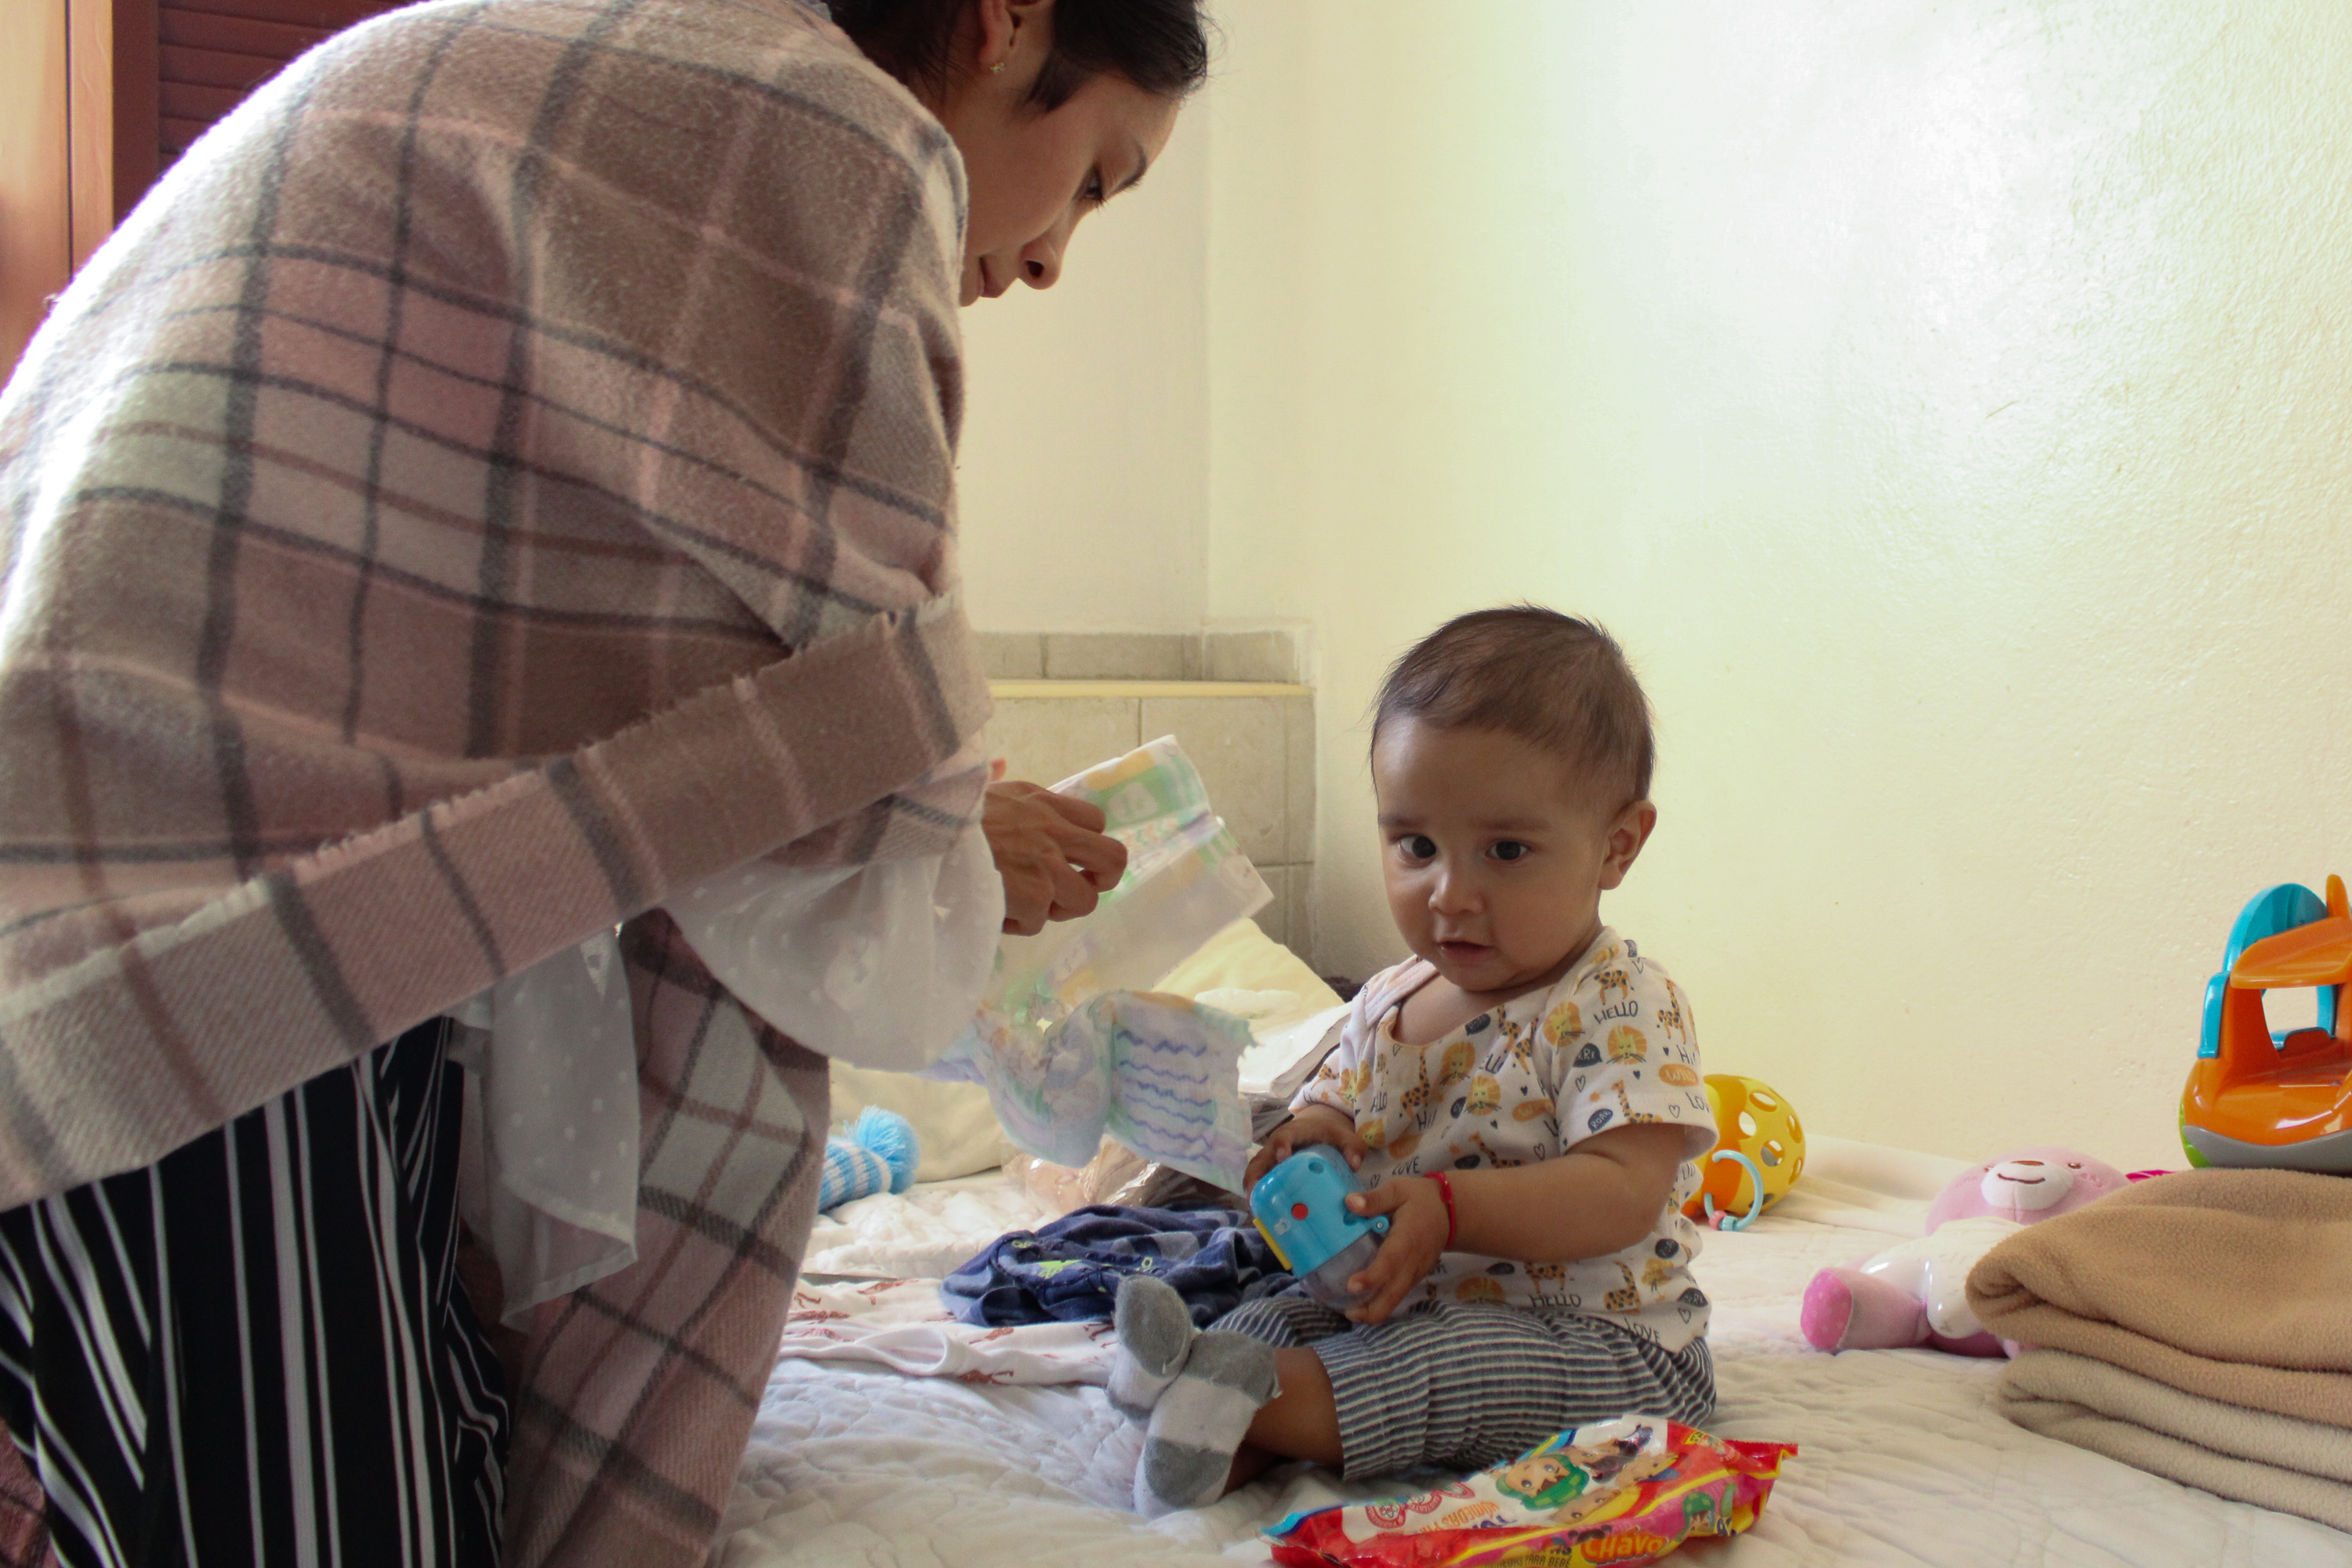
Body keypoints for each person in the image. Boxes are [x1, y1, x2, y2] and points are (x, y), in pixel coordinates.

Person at [0, 0, 1203, 1563]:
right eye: (1098, 177)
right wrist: (937, 817)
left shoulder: (564, 73)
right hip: (200, 941)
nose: (1050, 258)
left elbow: (602, 671)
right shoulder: (826, 125)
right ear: (1007, 19)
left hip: (177, 887)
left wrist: (927, 805)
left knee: (427, 1450)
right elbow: (841, 707)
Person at [1107, 607, 1719, 1514]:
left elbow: (1622, 1187)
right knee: (1274, 1313)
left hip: (1599, 1345)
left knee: (1444, 1362)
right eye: (1416, 845)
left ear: (1616, 844)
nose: (1451, 893)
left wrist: (1448, 1205)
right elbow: (1333, 1108)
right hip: (1399, 1297)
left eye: (1506, 850)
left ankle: (1235, 1405)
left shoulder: (1617, 1001)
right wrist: (1307, 1138)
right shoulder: (1389, 996)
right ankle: (1213, 1402)